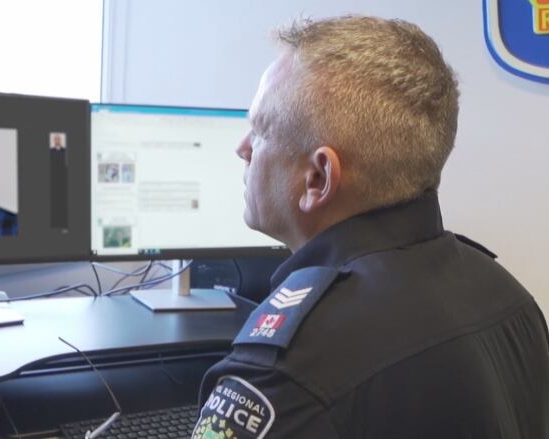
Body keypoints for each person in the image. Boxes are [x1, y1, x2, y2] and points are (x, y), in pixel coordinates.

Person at [192, 16, 549, 439]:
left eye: (260, 129)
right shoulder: (509, 295)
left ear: (318, 179)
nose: (242, 147)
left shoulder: (287, 374)